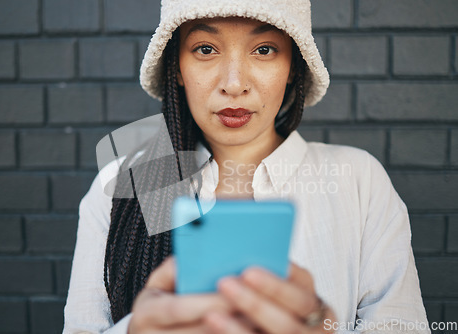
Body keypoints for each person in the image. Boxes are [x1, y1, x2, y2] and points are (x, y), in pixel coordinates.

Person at [63, 0, 430, 333]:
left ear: (292, 67)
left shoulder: (358, 181)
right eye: (205, 49)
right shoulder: (120, 186)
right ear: (176, 66)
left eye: (264, 49)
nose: (234, 84)